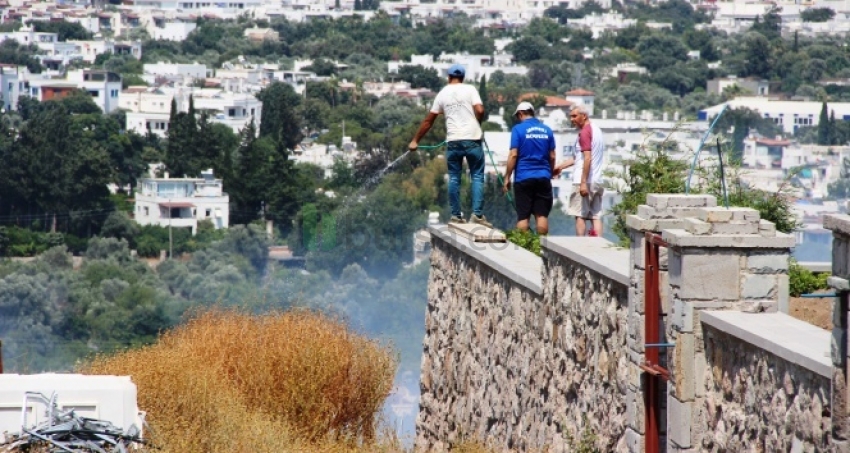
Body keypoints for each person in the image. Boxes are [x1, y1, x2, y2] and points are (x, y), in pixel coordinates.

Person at [409, 64, 491, 227]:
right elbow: (480, 110)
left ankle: (455, 215)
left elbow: (428, 121)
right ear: (463, 77)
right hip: (472, 139)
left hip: (453, 141)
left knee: (454, 178)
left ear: (449, 77)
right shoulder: (470, 89)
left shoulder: (442, 94)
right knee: (476, 176)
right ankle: (477, 215)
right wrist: (477, 124)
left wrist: (415, 141)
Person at [502, 101, 556, 234]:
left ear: (520, 114)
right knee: (542, 215)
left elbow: (513, 155)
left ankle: (524, 248)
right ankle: (543, 247)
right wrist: (549, 173)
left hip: (523, 177)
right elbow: (553, 156)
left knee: (523, 216)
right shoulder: (547, 130)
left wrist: (507, 177)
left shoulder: (518, 129)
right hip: (543, 176)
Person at [554, 105, 605, 236]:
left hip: (584, 181)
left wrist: (582, 182)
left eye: (575, 116)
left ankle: (580, 245)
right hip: (597, 180)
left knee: (579, 215)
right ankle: (598, 245)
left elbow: (587, 159)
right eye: (571, 116)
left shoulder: (584, 133)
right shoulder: (597, 130)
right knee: (595, 215)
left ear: (584, 116)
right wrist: (559, 167)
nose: (572, 119)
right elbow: (578, 158)